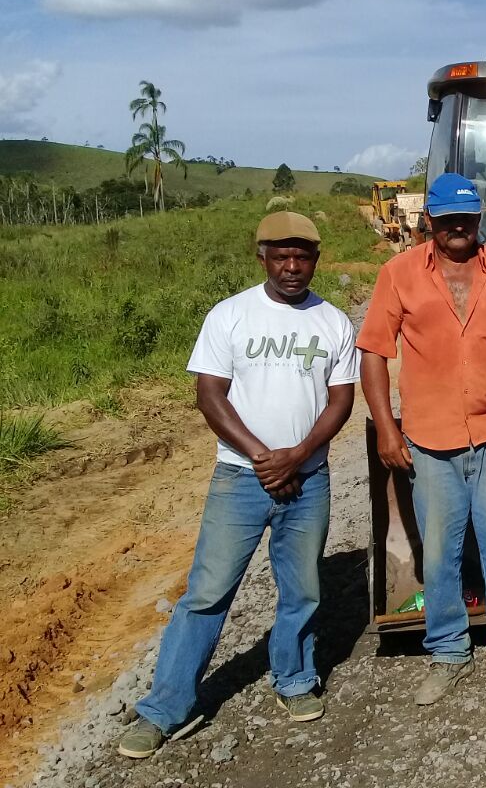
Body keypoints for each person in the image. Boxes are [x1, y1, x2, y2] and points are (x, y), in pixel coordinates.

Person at [118, 210, 358, 758]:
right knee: (206, 592)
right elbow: (211, 395)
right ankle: (166, 709)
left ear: (316, 259)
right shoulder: (229, 317)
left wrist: (296, 456)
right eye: (281, 257)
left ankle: (294, 679)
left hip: (308, 478)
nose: (293, 267)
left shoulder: (334, 323)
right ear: (262, 257)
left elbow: (341, 399)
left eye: (302, 257)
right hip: (239, 477)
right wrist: (261, 458)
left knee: (302, 588)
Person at [358, 173, 486, 705]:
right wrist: (387, 428)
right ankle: (447, 651)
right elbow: (373, 352)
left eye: (467, 218)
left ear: (479, 218)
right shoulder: (398, 274)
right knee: (439, 552)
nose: (459, 227)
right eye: (448, 219)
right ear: (429, 222)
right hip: (429, 441)